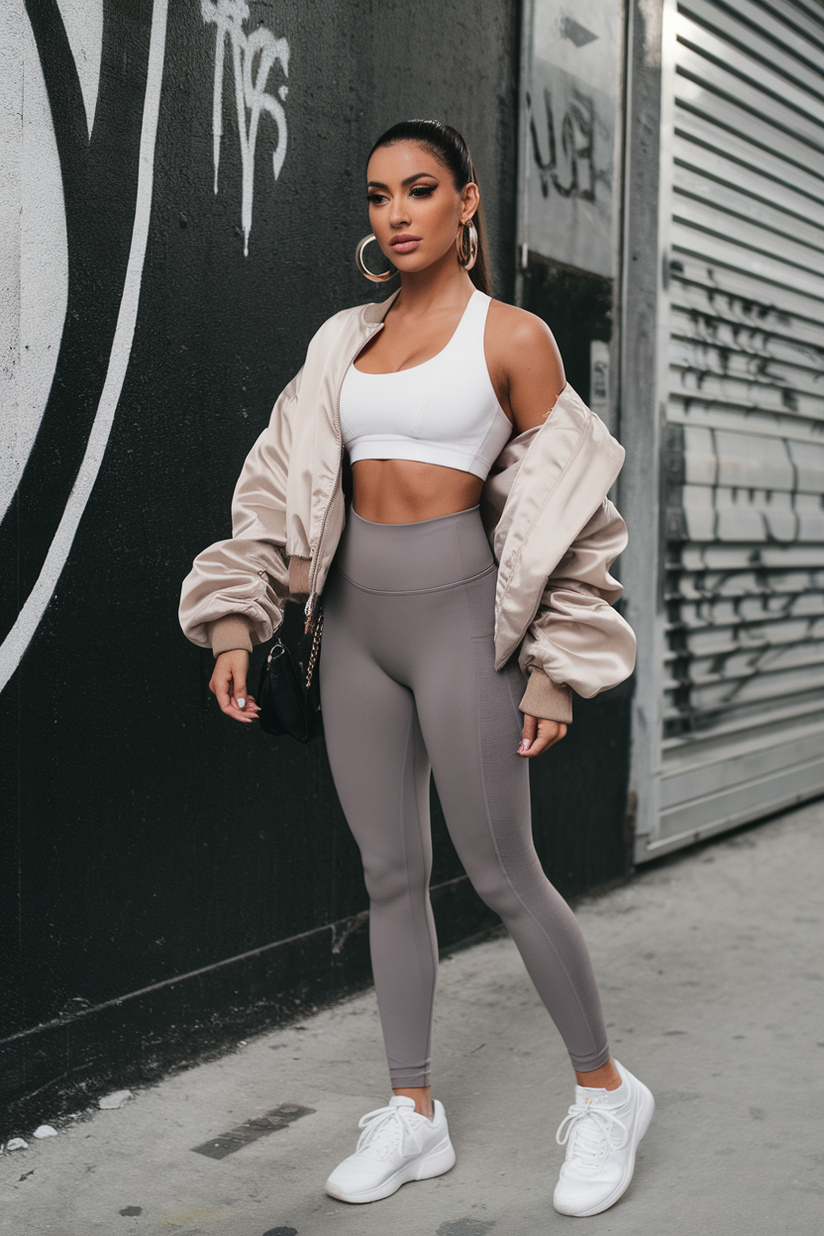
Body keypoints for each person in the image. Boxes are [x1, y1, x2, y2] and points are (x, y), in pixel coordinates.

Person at [179, 119, 653, 1218]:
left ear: (466, 203)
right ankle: (413, 1115)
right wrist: (236, 622)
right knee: (388, 874)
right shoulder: (340, 341)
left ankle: (603, 1092)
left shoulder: (512, 338)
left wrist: (555, 668)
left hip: (459, 623)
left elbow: (580, 522)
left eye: (420, 190)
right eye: (378, 195)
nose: (394, 213)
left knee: (500, 873)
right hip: (351, 627)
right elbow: (274, 485)